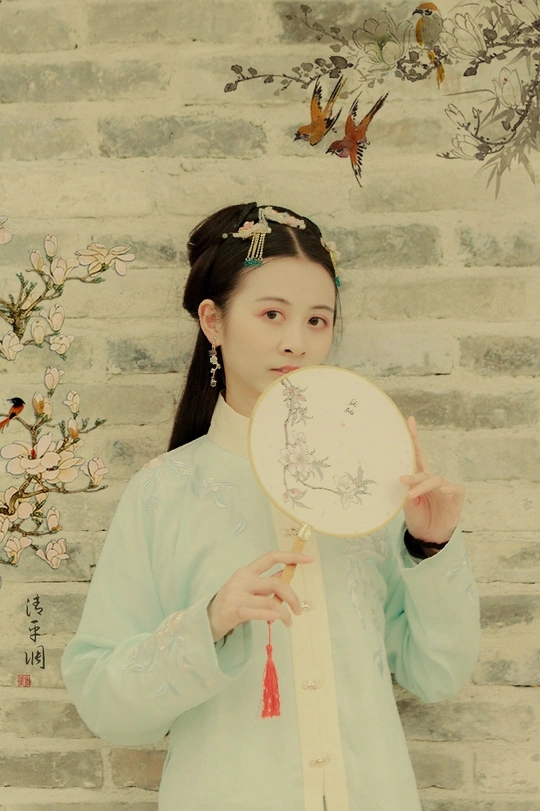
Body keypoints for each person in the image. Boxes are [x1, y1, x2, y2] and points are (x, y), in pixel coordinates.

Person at [61, 202, 481, 811]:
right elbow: (104, 701)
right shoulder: (164, 492)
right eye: (272, 314)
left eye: (317, 320)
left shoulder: (371, 486)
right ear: (213, 320)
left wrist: (429, 547)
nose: (296, 341)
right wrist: (209, 623)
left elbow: (436, 675)